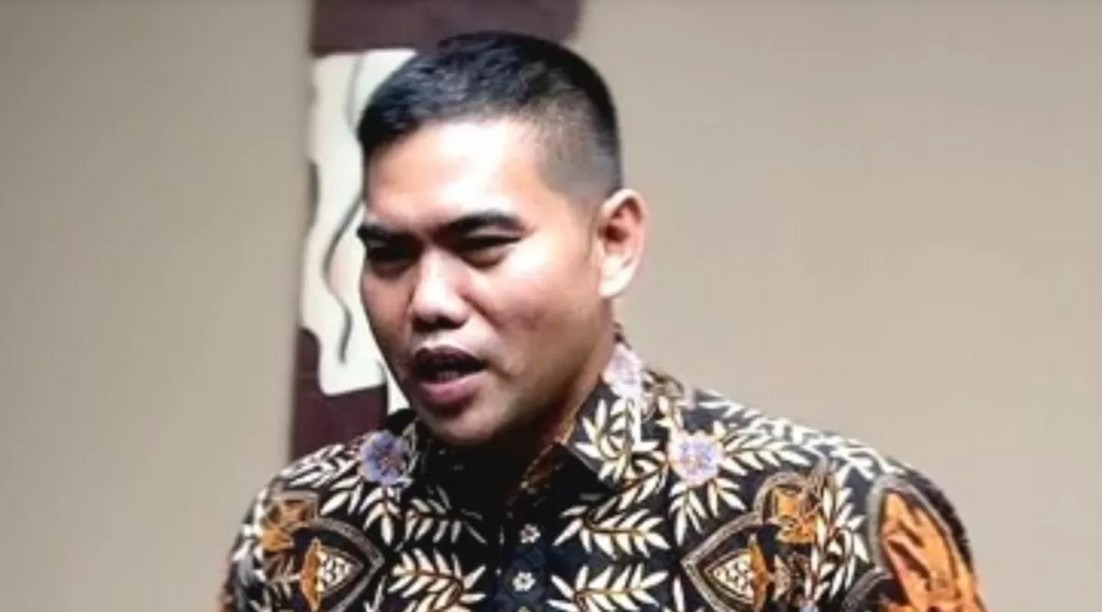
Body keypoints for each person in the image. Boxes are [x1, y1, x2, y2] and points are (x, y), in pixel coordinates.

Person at [218, 31, 986, 612]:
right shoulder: (301, 530)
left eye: (481, 245)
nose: (427, 301)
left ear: (613, 242)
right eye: (389, 254)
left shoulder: (824, 520)